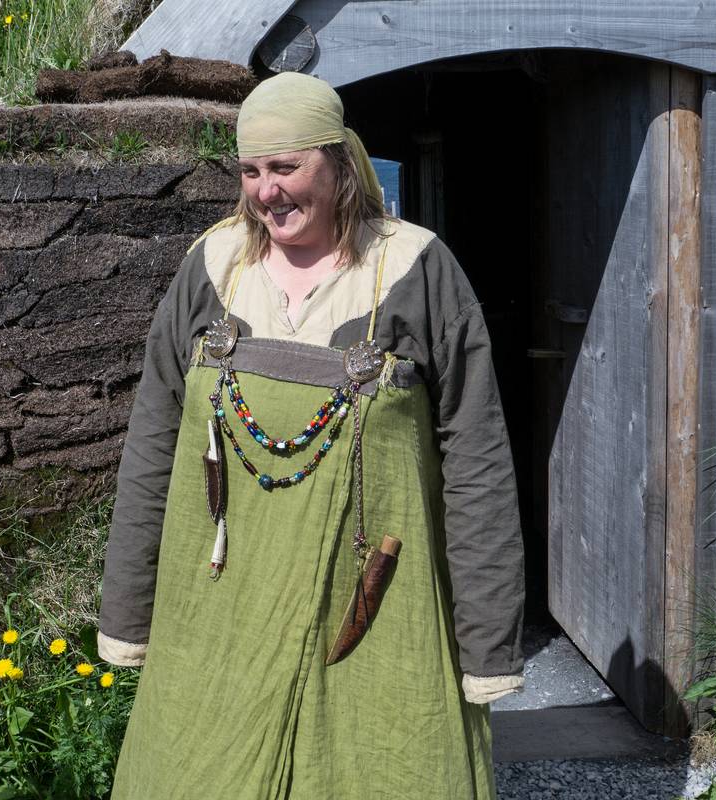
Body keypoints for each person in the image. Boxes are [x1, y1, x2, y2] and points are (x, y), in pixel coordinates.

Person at [96, 71, 525, 799]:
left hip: (373, 601)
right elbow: (153, 441)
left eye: (286, 167)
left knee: (383, 768)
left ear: (337, 162)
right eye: (251, 171)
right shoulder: (213, 267)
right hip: (222, 606)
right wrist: (127, 612)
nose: (267, 191)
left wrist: (486, 643)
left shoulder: (416, 270)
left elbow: (476, 457)